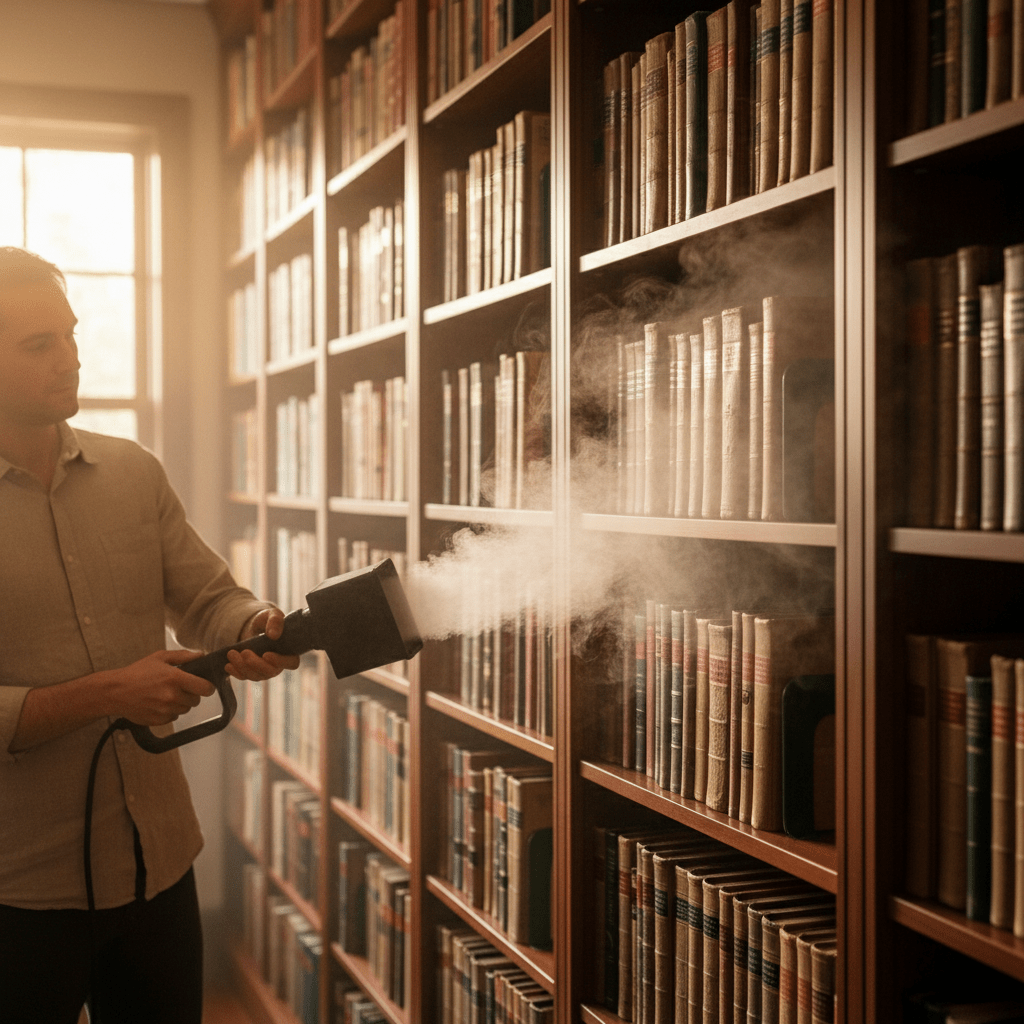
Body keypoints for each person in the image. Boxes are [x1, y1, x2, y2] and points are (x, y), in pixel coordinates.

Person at [0, 246, 299, 1023]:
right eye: (39, 346)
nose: (71, 359)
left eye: (70, 334)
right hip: (15, 892)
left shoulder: (134, 472)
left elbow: (208, 597)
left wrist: (257, 627)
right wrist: (110, 692)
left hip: (158, 862)